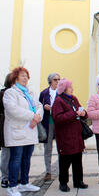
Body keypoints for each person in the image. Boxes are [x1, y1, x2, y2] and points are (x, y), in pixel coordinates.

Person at [3, 67, 44, 196]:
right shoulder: (10, 93)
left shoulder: (30, 93)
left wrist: (37, 117)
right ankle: (13, 186)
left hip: (30, 131)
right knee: (15, 159)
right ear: (15, 78)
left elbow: (39, 106)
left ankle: (24, 183)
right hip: (17, 132)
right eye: (22, 76)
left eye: (27, 76)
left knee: (26, 159)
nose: (25, 78)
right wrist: (32, 116)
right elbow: (13, 110)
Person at [52, 78, 88, 192]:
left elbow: (82, 112)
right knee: (65, 161)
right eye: (70, 87)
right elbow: (57, 118)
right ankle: (63, 183)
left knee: (78, 160)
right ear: (64, 89)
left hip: (77, 136)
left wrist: (83, 113)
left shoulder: (74, 99)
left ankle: (78, 181)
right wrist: (74, 113)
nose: (72, 89)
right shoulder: (58, 101)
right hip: (65, 136)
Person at [39, 73, 60, 181]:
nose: (57, 81)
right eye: (55, 79)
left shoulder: (61, 93)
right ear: (50, 81)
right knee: (48, 149)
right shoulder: (44, 93)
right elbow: (38, 107)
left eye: (58, 79)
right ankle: (48, 172)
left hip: (59, 124)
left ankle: (62, 170)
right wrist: (43, 106)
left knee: (61, 148)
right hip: (47, 123)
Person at [0, 73, 12, 188]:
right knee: (6, 154)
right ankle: (4, 178)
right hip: (5, 126)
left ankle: (16, 177)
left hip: (18, 128)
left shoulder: (22, 93)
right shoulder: (2, 93)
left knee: (18, 154)